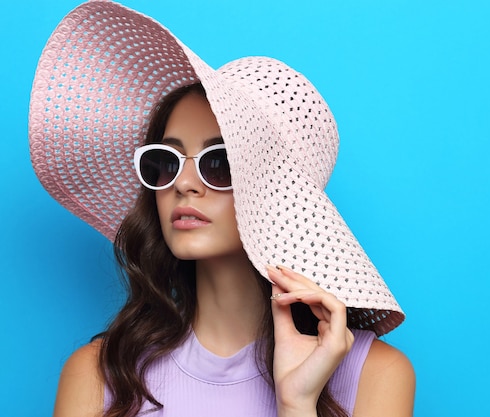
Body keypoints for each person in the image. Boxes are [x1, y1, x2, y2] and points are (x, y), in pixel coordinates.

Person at [29, 1, 415, 416]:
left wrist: (298, 402)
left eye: (219, 163)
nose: (183, 183)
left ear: (279, 197)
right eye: (166, 162)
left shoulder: (374, 374)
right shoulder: (100, 375)